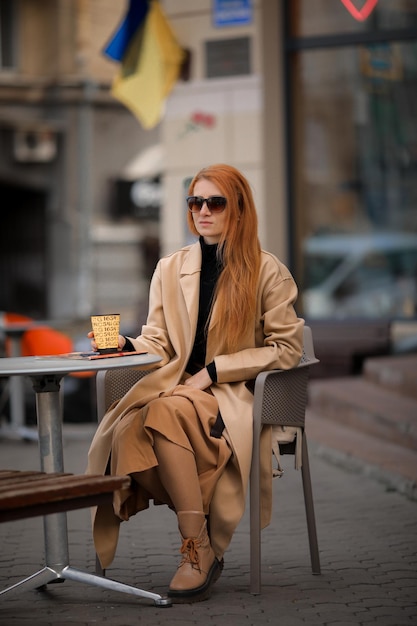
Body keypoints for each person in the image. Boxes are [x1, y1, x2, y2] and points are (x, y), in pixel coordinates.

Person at [86, 163, 304, 603]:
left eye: (215, 202)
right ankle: (199, 535)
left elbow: (287, 348)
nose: (203, 211)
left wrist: (212, 373)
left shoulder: (267, 271)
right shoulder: (170, 268)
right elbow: (158, 339)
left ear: (238, 209)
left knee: (159, 413)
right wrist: (123, 344)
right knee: (126, 432)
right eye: (195, 202)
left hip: (231, 394)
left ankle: (194, 551)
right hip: (176, 386)